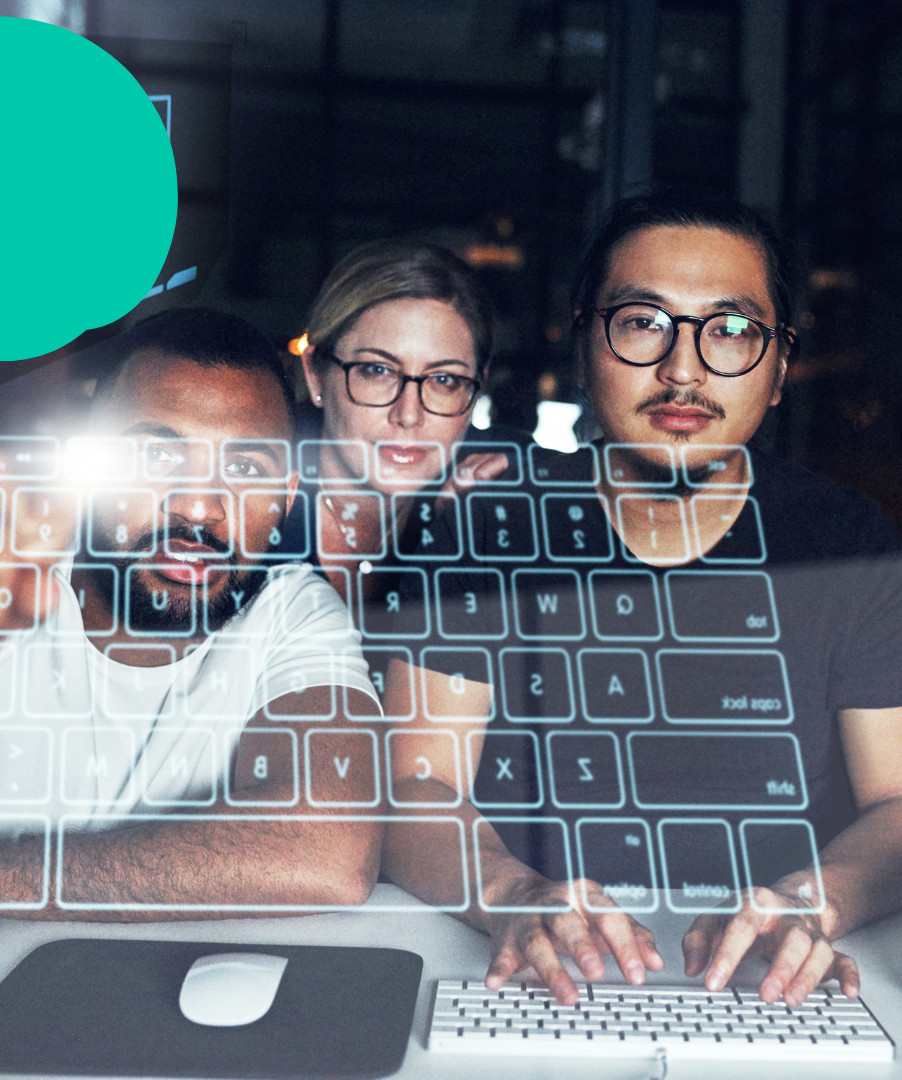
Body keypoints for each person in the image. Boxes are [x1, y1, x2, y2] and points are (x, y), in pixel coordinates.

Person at [379, 187, 902, 1008]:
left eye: (730, 330)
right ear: (582, 345)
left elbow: (897, 803)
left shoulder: (847, 546)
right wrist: (512, 896)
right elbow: (417, 784)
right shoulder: (483, 529)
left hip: (780, 979)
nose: (683, 369)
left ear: (778, 370)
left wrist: (816, 898)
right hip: (535, 963)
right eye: (642, 322)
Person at [0, 306, 384, 927]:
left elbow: (329, 850)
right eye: (156, 456)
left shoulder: (292, 608)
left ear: (285, 493)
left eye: (247, 468)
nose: (200, 505)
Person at [284, 240, 529, 618]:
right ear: (315, 373)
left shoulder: (505, 475)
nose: (409, 414)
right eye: (377, 371)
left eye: (444, 380)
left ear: (476, 387)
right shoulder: (248, 492)